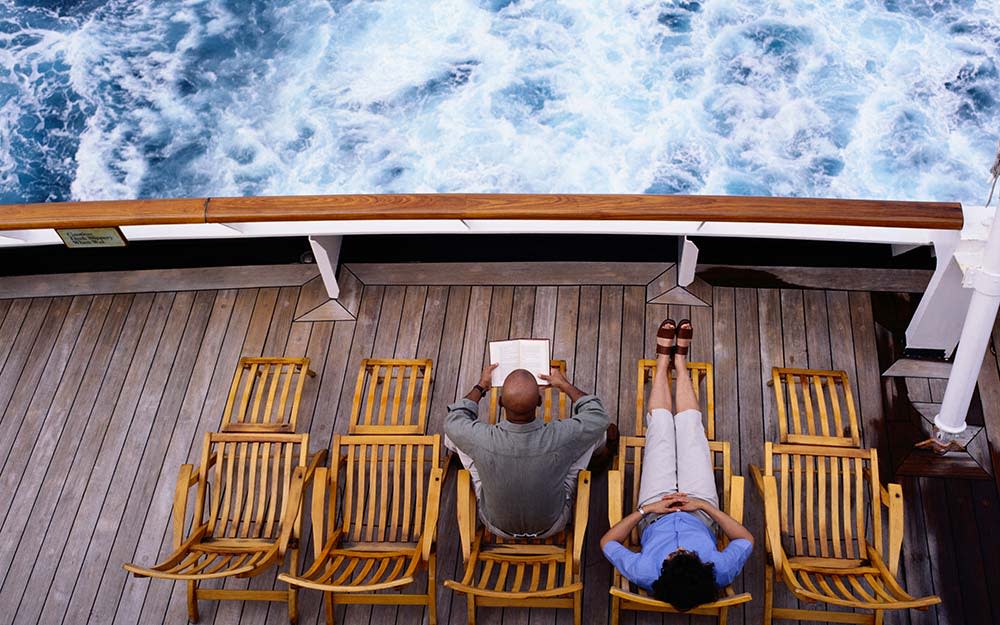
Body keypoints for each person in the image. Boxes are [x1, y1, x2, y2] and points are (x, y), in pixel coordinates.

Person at [600, 319, 753, 611]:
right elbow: (745, 539)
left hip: (656, 508)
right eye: (689, 554)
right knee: (691, 430)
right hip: (701, 511)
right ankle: (680, 363)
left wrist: (647, 510)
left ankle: (661, 363)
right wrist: (704, 507)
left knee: (661, 430)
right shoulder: (719, 571)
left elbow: (608, 543)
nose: (680, 549)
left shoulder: (646, 572)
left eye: (673, 556)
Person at [444, 363, 616, 539]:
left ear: (501, 403)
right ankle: (599, 461)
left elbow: (453, 420)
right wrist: (564, 384)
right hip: (551, 524)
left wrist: (481, 386)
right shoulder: (561, 436)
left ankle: (471, 460)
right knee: (597, 434)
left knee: (452, 437)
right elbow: (598, 417)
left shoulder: (482, 437)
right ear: (539, 402)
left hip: (495, 524)